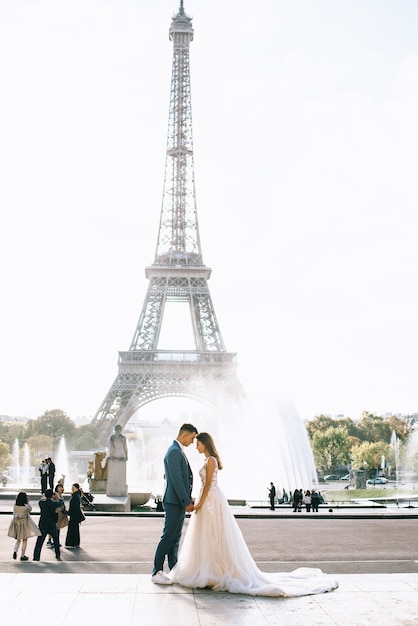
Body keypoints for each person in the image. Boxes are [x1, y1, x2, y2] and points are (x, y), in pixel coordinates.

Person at [166, 432, 338, 597]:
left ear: (206, 444)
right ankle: (210, 570)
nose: (196, 447)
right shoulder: (208, 460)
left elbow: (208, 485)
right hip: (209, 500)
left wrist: (198, 505)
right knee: (209, 536)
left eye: (199, 444)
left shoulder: (210, 461)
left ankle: (211, 571)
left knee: (213, 535)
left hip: (210, 500)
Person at [151, 423, 198, 584]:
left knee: (174, 538)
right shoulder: (174, 452)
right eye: (192, 438)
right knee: (168, 537)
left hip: (176, 501)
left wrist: (187, 498)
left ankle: (173, 569)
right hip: (174, 502)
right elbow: (177, 480)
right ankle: (156, 571)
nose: (192, 442)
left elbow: (179, 479)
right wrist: (186, 501)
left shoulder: (176, 451)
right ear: (185, 435)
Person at [7, 491, 41, 561]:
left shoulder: (15, 506)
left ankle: (15, 550)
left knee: (18, 539)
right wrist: (28, 502)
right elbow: (30, 509)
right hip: (24, 525)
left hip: (17, 525)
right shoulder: (26, 507)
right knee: (25, 540)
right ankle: (22, 555)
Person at [33, 489, 63, 561]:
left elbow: (41, 500)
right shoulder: (54, 504)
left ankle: (36, 557)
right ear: (52, 495)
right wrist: (58, 497)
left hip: (43, 524)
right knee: (56, 540)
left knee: (39, 542)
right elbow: (61, 502)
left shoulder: (41, 503)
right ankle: (57, 555)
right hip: (52, 524)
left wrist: (44, 496)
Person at [65, 483, 85, 549]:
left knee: (72, 529)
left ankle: (72, 543)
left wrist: (68, 512)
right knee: (75, 529)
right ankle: (75, 543)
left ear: (77, 489)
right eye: (72, 487)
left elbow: (74, 507)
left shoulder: (75, 496)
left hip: (74, 516)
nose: (72, 489)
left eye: (73, 488)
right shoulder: (77, 496)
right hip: (75, 515)